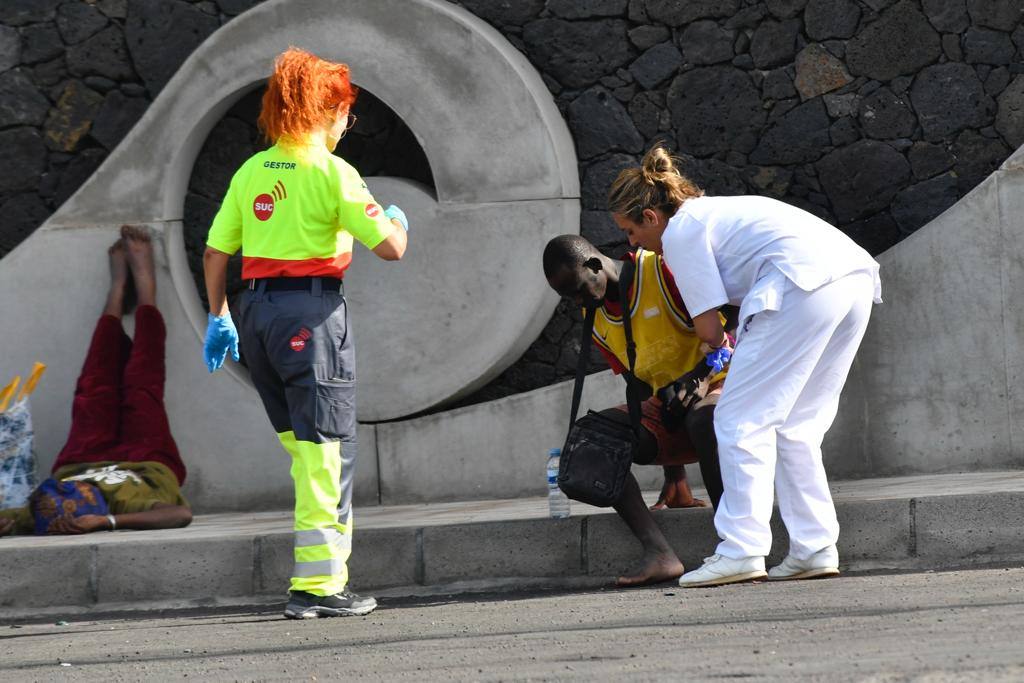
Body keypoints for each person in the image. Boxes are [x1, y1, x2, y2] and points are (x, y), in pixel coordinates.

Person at [607, 146, 881, 587]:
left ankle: (741, 550)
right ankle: (813, 548)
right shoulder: (713, 212)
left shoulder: (680, 233)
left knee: (737, 420)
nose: (631, 243)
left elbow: (710, 332)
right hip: (851, 279)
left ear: (651, 217)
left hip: (799, 284)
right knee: (797, 426)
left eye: (630, 231)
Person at [202, 48, 408, 619]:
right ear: (326, 110)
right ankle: (319, 589)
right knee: (327, 455)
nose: (349, 122)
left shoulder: (253, 170)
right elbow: (391, 250)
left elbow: (218, 249)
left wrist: (219, 316)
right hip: (312, 320)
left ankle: (312, 584)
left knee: (303, 454)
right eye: (346, 111)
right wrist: (395, 221)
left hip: (257, 317)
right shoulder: (333, 173)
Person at [543, 234, 734, 586]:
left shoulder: (660, 271)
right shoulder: (596, 318)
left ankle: (736, 546)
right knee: (592, 442)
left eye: (579, 289)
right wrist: (675, 478)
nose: (577, 301)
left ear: (595, 265)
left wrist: (702, 379)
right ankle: (660, 553)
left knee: (704, 417)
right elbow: (644, 387)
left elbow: (733, 321)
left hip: (725, 389)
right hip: (677, 414)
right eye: (568, 297)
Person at [0, 227, 192, 538]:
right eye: (73, 497)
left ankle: (116, 290)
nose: (68, 493)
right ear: (93, 512)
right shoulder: (125, 503)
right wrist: (109, 522)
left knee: (92, 386)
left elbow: (18, 515)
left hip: (80, 459)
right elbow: (181, 514)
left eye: (59, 494)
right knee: (143, 384)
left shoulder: (50, 504)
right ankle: (146, 289)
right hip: (146, 460)